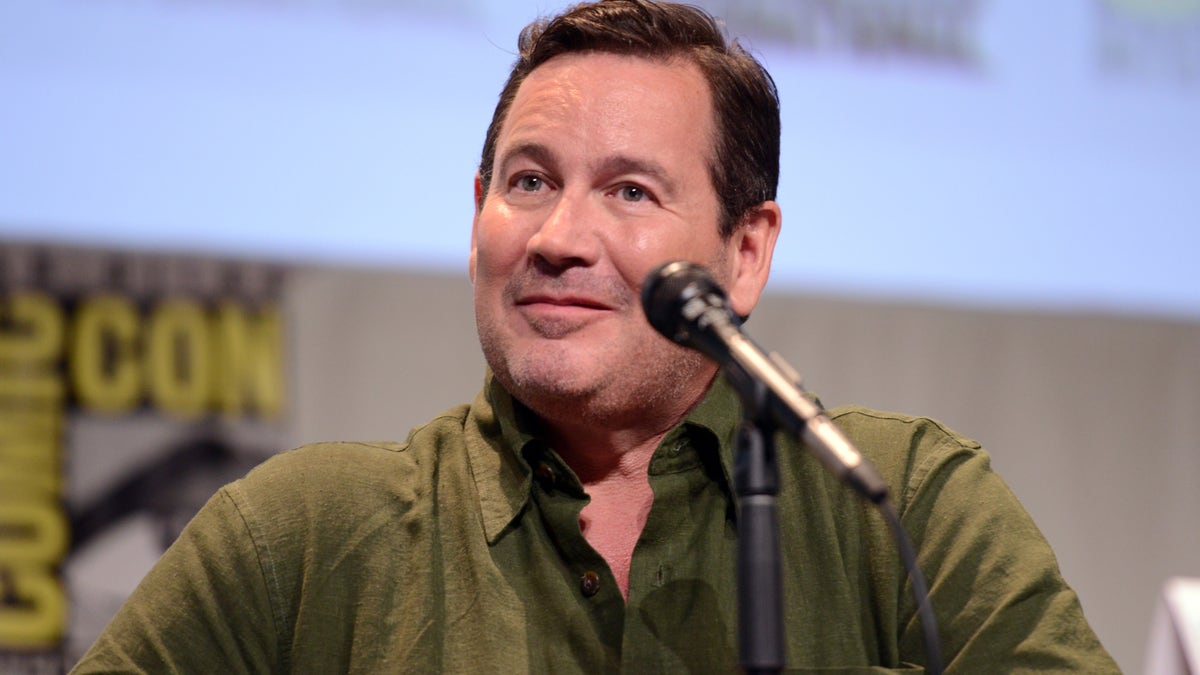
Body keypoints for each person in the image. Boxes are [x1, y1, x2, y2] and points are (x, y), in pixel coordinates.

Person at [72, 1, 1119, 672]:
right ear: (477, 209)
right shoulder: (299, 540)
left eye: (629, 191)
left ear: (744, 254)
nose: (560, 238)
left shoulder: (906, 504)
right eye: (528, 182)